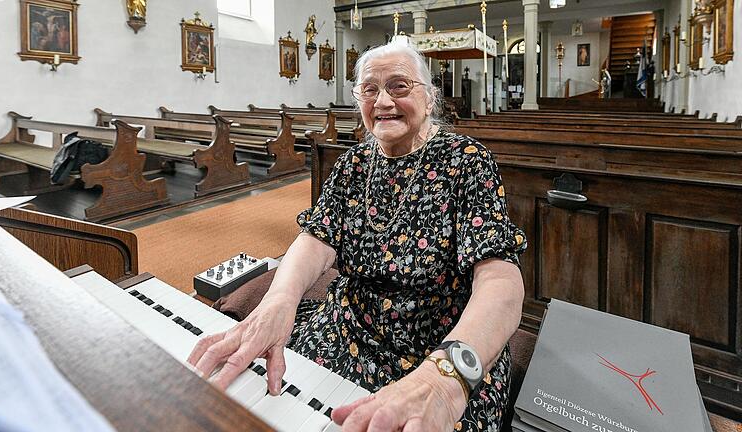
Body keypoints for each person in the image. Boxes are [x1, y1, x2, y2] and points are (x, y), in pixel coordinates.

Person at [188, 41, 527, 432]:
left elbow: (501, 281)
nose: (383, 101)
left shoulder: (467, 161)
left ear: (429, 99)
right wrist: (277, 302)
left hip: (437, 351)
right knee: (259, 402)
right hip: (349, 328)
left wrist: (446, 376)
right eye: (369, 90)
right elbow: (316, 238)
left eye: (399, 86)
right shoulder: (355, 163)